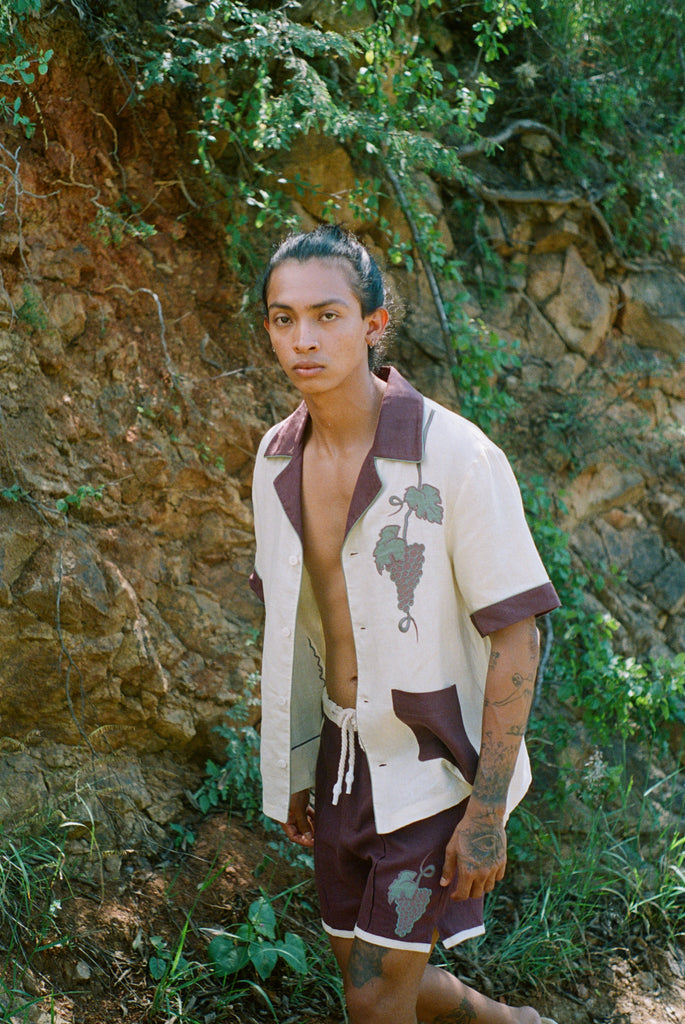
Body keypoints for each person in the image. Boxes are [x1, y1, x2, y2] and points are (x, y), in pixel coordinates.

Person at [249, 224, 561, 1024]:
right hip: (342, 762)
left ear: (373, 323)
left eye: (327, 315)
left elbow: (517, 634)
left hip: (433, 767)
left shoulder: (454, 457)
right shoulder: (275, 459)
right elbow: (292, 626)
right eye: (284, 319)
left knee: (372, 996)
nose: (303, 338)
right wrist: (296, 763)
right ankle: (511, 1022)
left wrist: (485, 813)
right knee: (364, 966)